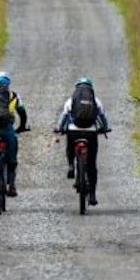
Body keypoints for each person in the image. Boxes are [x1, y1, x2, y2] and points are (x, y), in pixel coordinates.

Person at [54, 76, 111, 204]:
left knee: (70, 147)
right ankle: (92, 195)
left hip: (73, 131)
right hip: (91, 133)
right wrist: (106, 129)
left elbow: (64, 117)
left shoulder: (71, 100)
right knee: (91, 164)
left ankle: (70, 166)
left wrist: (59, 129)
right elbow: (103, 118)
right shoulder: (96, 101)